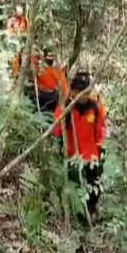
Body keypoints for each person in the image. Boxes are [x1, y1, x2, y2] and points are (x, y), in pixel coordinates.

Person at [52, 71, 107, 222]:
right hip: (73, 155)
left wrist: (100, 150)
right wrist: (65, 119)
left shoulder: (94, 107)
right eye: (79, 91)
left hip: (92, 155)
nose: (83, 95)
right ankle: (79, 216)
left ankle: (92, 210)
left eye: (86, 92)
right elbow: (56, 131)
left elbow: (101, 130)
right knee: (76, 186)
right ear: (73, 90)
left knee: (94, 185)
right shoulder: (65, 107)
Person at [35, 47, 68, 113]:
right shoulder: (38, 67)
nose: (50, 60)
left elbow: (63, 84)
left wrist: (65, 97)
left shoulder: (57, 68)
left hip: (52, 95)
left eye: (52, 57)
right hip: (40, 94)